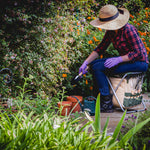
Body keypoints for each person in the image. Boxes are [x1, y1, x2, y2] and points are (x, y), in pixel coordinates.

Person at [79, 4, 149, 113]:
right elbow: (100, 48)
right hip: (126, 60)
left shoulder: (128, 29)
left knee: (99, 68)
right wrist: (86, 63)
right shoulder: (111, 32)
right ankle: (101, 98)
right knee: (93, 65)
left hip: (139, 63)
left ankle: (106, 103)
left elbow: (138, 53)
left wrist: (119, 59)